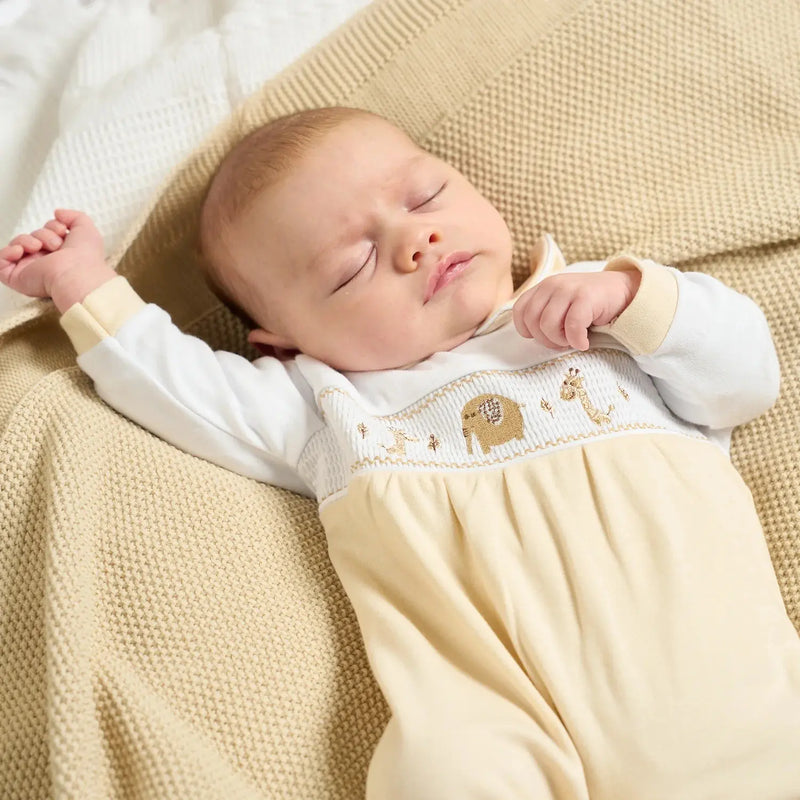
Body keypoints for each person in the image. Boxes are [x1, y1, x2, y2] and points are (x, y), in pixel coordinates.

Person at [2, 106, 799, 799]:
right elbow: (177, 388)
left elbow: (744, 378)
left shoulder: (601, 312)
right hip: (493, 724)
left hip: (716, 680)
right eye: (352, 270)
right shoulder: (327, 408)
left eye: (425, 197)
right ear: (284, 345)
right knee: (439, 775)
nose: (415, 239)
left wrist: (640, 299)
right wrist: (82, 283)